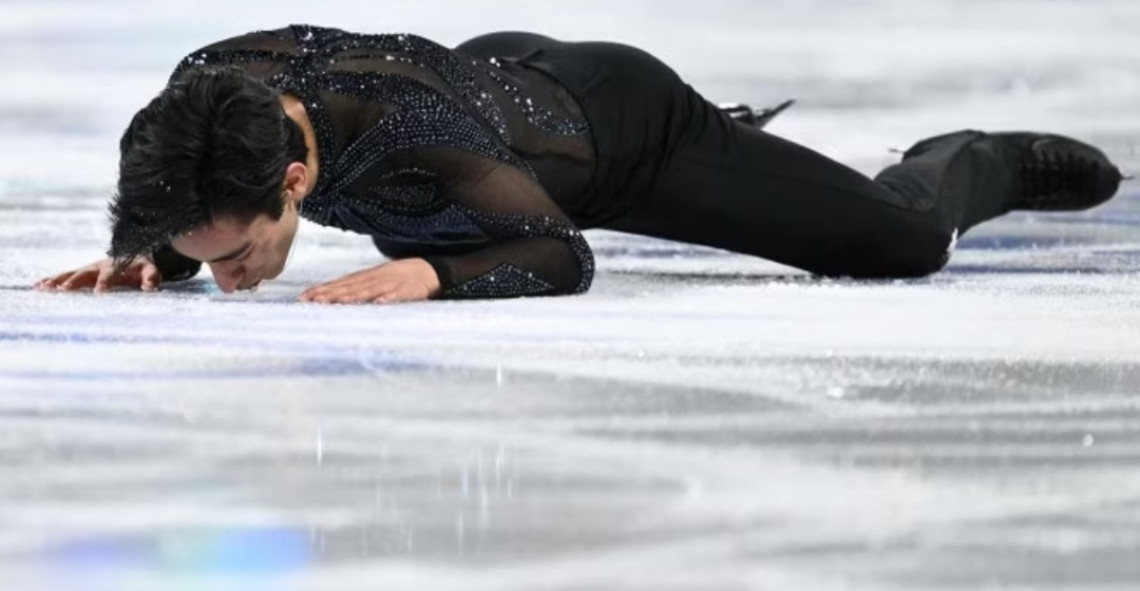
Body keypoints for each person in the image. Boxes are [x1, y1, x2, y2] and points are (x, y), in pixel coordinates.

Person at [35, 26, 1125, 303]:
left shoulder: (417, 142)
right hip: (501, 90)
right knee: (431, 212)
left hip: (622, 134)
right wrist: (154, 256)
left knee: (898, 247)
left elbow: (561, 254)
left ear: (294, 183)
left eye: (237, 254)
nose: (230, 277)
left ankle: (964, 160)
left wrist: (437, 275)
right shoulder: (203, 102)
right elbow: (182, 179)